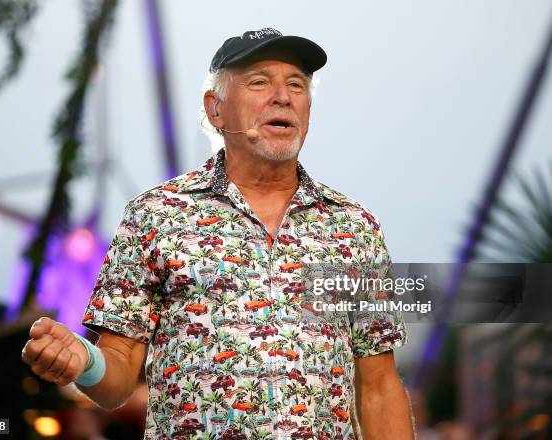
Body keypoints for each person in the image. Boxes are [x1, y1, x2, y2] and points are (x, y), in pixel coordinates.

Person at [22, 27, 413, 439]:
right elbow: (118, 374)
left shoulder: (352, 227)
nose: (283, 96)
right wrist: (84, 359)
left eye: (297, 84)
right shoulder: (157, 215)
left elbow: (379, 386)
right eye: (259, 82)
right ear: (215, 109)